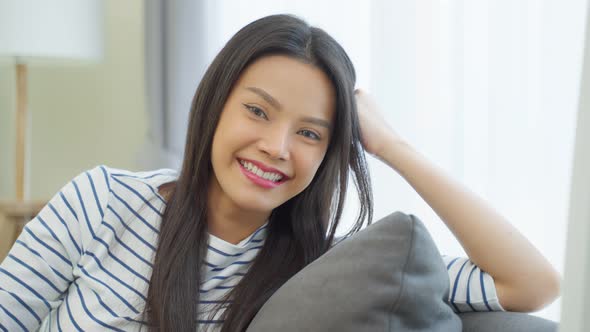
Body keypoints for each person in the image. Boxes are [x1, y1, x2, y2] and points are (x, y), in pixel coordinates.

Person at [0, 14, 560, 332]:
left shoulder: (327, 266)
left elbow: (533, 284)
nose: (275, 147)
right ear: (215, 104)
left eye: (310, 133)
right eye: (258, 111)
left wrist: (393, 145)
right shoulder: (101, 201)